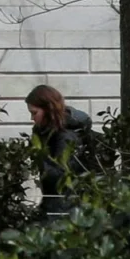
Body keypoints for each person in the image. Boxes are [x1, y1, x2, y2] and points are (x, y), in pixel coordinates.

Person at [26, 84, 91, 217]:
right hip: (54, 203)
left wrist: (39, 157)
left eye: (34, 113)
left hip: (67, 207)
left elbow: (61, 174)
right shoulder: (45, 132)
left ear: (48, 109)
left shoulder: (66, 135)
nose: (32, 118)